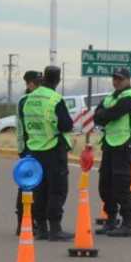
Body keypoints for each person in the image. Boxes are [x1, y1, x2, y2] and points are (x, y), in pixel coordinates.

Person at [20, 65, 75, 241]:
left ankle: (41, 228)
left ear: (43, 78)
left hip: (34, 150)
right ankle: (55, 228)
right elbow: (66, 125)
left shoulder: (29, 99)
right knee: (56, 190)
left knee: (39, 190)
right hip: (53, 149)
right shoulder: (55, 99)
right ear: (58, 80)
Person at [94, 67, 131, 238]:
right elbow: (97, 115)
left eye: (120, 79)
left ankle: (127, 224)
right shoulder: (110, 97)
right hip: (109, 144)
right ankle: (111, 220)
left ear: (128, 80)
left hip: (124, 145)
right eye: (114, 78)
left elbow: (113, 114)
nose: (116, 81)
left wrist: (105, 114)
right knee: (105, 185)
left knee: (121, 186)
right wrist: (104, 114)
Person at [14, 69, 43, 234]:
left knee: (34, 186)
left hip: (33, 146)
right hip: (28, 148)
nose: (40, 86)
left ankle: (31, 220)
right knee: (27, 186)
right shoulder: (26, 100)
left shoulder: (30, 99)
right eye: (37, 83)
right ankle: (23, 221)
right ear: (29, 84)